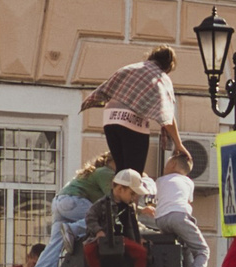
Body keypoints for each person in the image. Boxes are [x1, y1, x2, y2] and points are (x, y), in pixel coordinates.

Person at [81, 47, 189, 178]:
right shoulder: (161, 78)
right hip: (132, 122)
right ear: (169, 66)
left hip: (110, 118)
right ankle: (125, 191)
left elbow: (106, 89)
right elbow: (168, 116)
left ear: (151, 57)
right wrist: (178, 144)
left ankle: (116, 191)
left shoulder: (130, 68)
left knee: (121, 170)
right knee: (133, 174)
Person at [22, 156, 113, 267]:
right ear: (110, 162)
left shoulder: (90, 173)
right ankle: (71, 229)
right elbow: (113, 199)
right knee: (103, 220)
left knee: (55, 243)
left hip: (59, 202)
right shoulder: (106, 171)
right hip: (75, 201)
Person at [147, 147, 212, 267]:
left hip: (160, 220)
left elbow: (153, 198)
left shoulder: (159, 181)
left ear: (173, 164)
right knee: (202, 250)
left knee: (184, 245)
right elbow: (188, 202)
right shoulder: (188, 182)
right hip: (178, 216)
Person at [87, 173, 151, 267]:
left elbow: (133, 225)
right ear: (120, 189)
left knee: (141, 252)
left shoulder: (130, 206)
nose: (134, 197)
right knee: (88, 249)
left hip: (122, 240)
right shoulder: (101, 204)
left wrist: (138, 238)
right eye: (132, 193)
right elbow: (90, 217)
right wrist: (98, 231)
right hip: (104, 239)